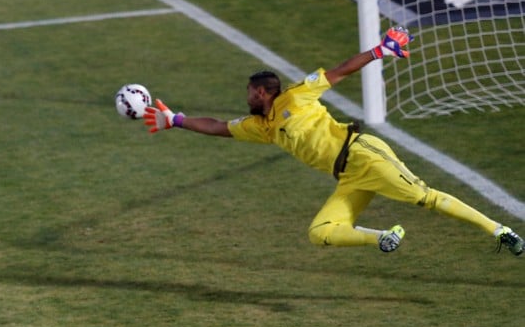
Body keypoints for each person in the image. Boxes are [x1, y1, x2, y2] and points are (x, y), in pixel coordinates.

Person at [142, 26, 524, 256]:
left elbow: (339, 72)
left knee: (425, 197)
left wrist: (380, 50)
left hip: (364, 156)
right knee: (320, 231)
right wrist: (175, 119)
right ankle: (383, 239)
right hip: (349, 177)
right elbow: (218, 126)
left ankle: (500, 231)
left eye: (248, 91)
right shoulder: (263, 126)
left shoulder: (296, 96)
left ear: (261, 91)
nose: (245, 96)